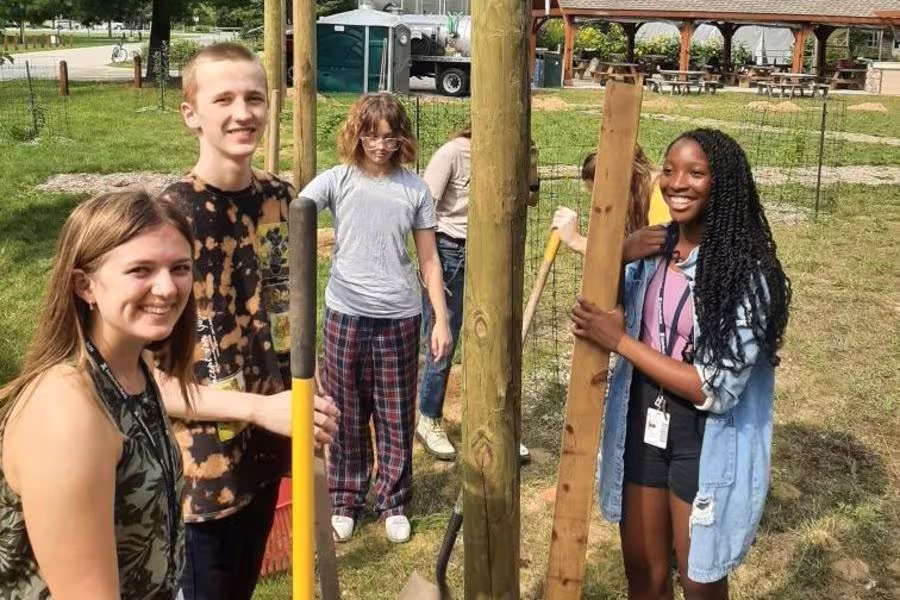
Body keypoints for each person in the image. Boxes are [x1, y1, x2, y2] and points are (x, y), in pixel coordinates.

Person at [571, 129, 791, 598]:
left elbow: (715, 388)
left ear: (722, 183)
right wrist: (620, 253)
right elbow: (603, 311)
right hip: (644, 418)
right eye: (669, 170)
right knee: (643, 573)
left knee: (700, 582)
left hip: (705, 436)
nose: (677, 183)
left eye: (695, 173)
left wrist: (622, 343)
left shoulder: (748, 274)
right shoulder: (653, 250)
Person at [159, 42, 339, 600]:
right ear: (192, 113)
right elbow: (154, 382)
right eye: (224, 99)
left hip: (270, 446)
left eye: (254, 97)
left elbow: (288, 317)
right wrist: (262, 408)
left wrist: (306, 397)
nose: (243, 113)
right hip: (203, 473)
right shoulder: (169, 219)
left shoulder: (286, 203)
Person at [299, 92, 452, 544]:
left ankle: (394, 499)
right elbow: (292, 210)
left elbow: (429, 261)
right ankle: (345, 496)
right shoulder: (337, 180)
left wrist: (440, 319)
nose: (380, 145)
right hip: (345, 312)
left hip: (399, 316)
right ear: (356, 134)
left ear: (402, 138)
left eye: (389, 137)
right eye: (371, 135)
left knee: (395, 412)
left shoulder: (415, 189)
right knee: (343, 411)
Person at [414, 124, 531, 462]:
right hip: (451, 250)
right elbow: (424, 205)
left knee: (494, 337)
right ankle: (429, 417)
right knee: (443, 337)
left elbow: (529, 197)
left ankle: (494, 425)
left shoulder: (512, 152)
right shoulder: (454, 153)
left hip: (492, 250)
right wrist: (430, 262)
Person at [551, 144, 670, 256]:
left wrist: (576, 241)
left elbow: (654, 257)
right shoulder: (639, 197)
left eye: (600, 196)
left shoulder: (661, 197)